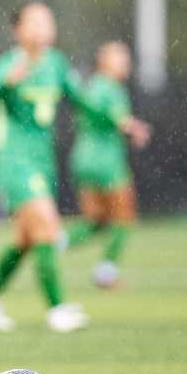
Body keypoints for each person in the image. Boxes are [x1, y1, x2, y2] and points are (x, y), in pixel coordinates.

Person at [0, 1, 87, 333]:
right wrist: (6, 81)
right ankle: (57, 309)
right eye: (33, 22)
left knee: (25, 238)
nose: (41, 28)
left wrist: (118, 121)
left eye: (47, 22)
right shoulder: (7, 64)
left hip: (42, 162)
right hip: (13, 159)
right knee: (47, 226)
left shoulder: (57, 65)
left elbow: (82, 100)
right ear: (17, 30)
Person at [61, 41, 150, 289]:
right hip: (106, 162)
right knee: (124, 217)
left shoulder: (91, 86)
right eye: (119, 57)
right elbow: (119, 118)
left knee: (96, 221)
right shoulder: (110, 88)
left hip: (82, 159)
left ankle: (53, 244)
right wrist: (136, 129)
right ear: (104, 61)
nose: (125, 63)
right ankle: (105, 271)